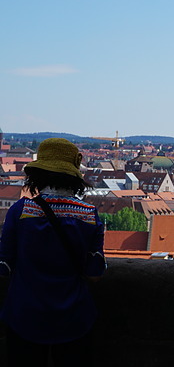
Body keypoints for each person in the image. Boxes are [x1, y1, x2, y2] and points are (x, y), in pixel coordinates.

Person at [0, 138, 106, 367]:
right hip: (73, 318)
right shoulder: (89, 215)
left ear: (37, 175)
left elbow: (4, 265)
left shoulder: (20, 211)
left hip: (25, 314)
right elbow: (95, 273)